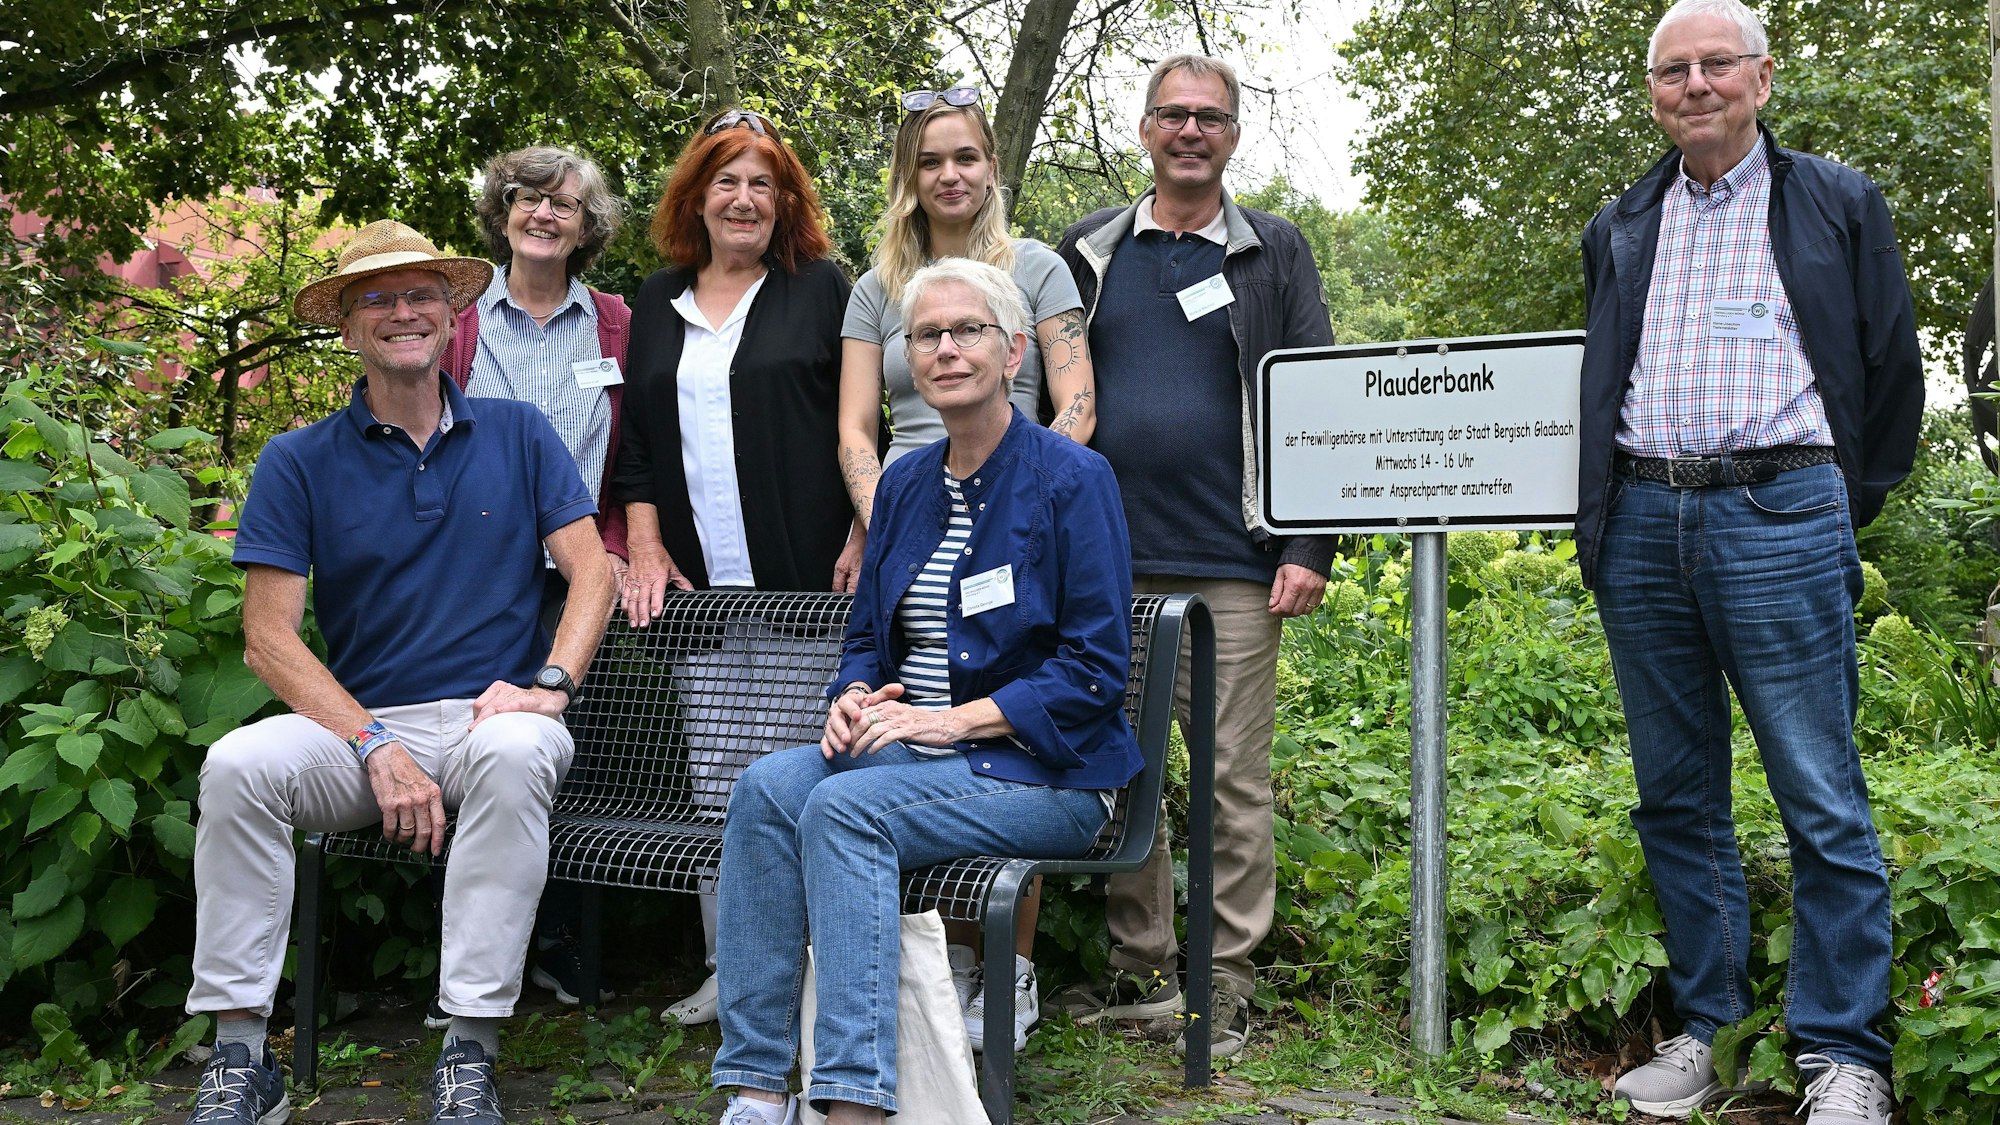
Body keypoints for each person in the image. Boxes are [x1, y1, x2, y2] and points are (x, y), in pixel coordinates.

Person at [183, 219, 615, 1125]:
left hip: (486, 721)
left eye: (420, 293)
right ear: (348, 327)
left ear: (451, 313)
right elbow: (269, 640)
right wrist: (372, 739)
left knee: (518, 747)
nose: (402, 311)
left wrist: (552, 683)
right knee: (236, 766)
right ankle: (238, 1057)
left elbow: (594, 573)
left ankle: (468, 1049)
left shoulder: (520, 431)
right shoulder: (297, 459)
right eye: (376, 298)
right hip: (359, 727)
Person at [1574, 2, 1923, 1121]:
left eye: (1713, 64)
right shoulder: (1621, 220)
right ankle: (1710, 1029)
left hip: (1780, 507)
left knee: (1817, 795)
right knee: (1675, 798)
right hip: (1640, 523)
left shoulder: (1832, 200)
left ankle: (1839, 1055)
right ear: (1650, 94)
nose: (1693, 85)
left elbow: (1888, 370)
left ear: (1761, 79)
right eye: (1670, 71)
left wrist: (1826, 501)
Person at [710, 257, 1140, 1125]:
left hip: (1046, 772)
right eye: (926, 335)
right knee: (764, 790)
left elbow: (1096, 666)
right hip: (918, 755)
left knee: (844, 812)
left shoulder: (1071, 479)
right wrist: (854, 693)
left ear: (1014, 352)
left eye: (967, 330)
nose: (945, 349)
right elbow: (868, 635)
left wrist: (950, 721)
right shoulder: (905, 482)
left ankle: (854, 1103)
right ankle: (756, 1093)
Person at [1051, 52, 1332, 1060]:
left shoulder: (1272, 252)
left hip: (1235, 564)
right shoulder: (1085, 251)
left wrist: (1309, 545)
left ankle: (1225, 986)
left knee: (1230, 786)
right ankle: (1139, 973)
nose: (1188, 131)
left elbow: (1316, 402)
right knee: (1118, 772)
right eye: (1171, 114)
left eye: (1208, 117)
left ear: (1231, 136)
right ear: (1142, 129)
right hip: (1102, 567)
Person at [836, 83, 1097, 1053]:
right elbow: (856, 431)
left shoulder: (1035, 270)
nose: (948, 174)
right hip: (908, 528)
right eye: (929, 160)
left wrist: (1016, 517)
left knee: (1002, 725)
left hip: (1015, 523)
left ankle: (1010, 974)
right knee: (913, 734)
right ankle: (936, 971)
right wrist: (895, 527)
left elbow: (1075, 404)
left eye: (965, 157)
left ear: (992, 166)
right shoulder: (875, 288)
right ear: (909, 174)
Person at [612, 108, 856, 1025]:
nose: (745, 198)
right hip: (700, 596)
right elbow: (633, 440)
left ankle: (818, 971)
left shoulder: (822, 290)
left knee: (803, 778)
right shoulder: (654, 298)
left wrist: (866, 531)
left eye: (764, 183)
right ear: (697, 198)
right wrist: (642, 540)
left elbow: (858, 426)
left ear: (786, 201)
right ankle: (735, 971)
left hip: (808, 587)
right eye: (727, 181)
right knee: (720, 782)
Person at [429, 144, 630, 1019]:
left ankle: (555, 946)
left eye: (566, 205)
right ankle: (466, 969)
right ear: (502, 208)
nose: (545, 214)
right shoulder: (459, 318)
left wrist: (622, 540)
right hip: (481, 574)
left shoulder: (618, 323)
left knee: (563, 762)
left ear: (589, 229)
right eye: (528, 197)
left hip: (581, 576)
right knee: (480, 753)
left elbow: (641, 451)